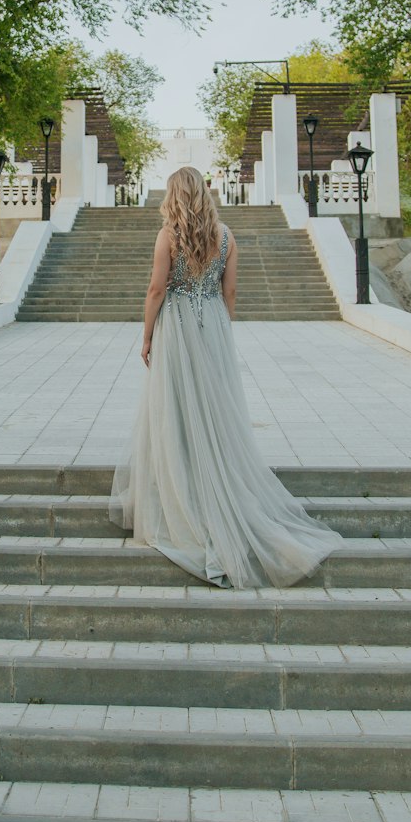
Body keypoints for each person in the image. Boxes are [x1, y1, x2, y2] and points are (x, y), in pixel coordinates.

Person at [109, 165, 341, 589]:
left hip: (176, 327)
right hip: (212, 324)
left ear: (174, 195)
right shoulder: (228, 236)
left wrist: (146, 337)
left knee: (175, 407)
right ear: (204, 192)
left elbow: (156, 290)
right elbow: (230, 293)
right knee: (215, 409)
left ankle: (181, 492)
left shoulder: (168, 235)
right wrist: (218, 328)